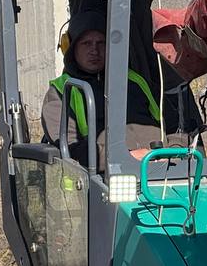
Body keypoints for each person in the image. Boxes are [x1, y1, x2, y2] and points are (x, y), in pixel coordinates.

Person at [41, 9, 164, 169]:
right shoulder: (61, 91)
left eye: (101, 43)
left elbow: (173, 124)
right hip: (102, 177)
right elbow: (70, 150)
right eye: (86, 43)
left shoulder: (136, 80)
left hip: (163, 169)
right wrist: (125, 157)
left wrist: (175, 151)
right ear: (70, 47)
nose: (94, 50)